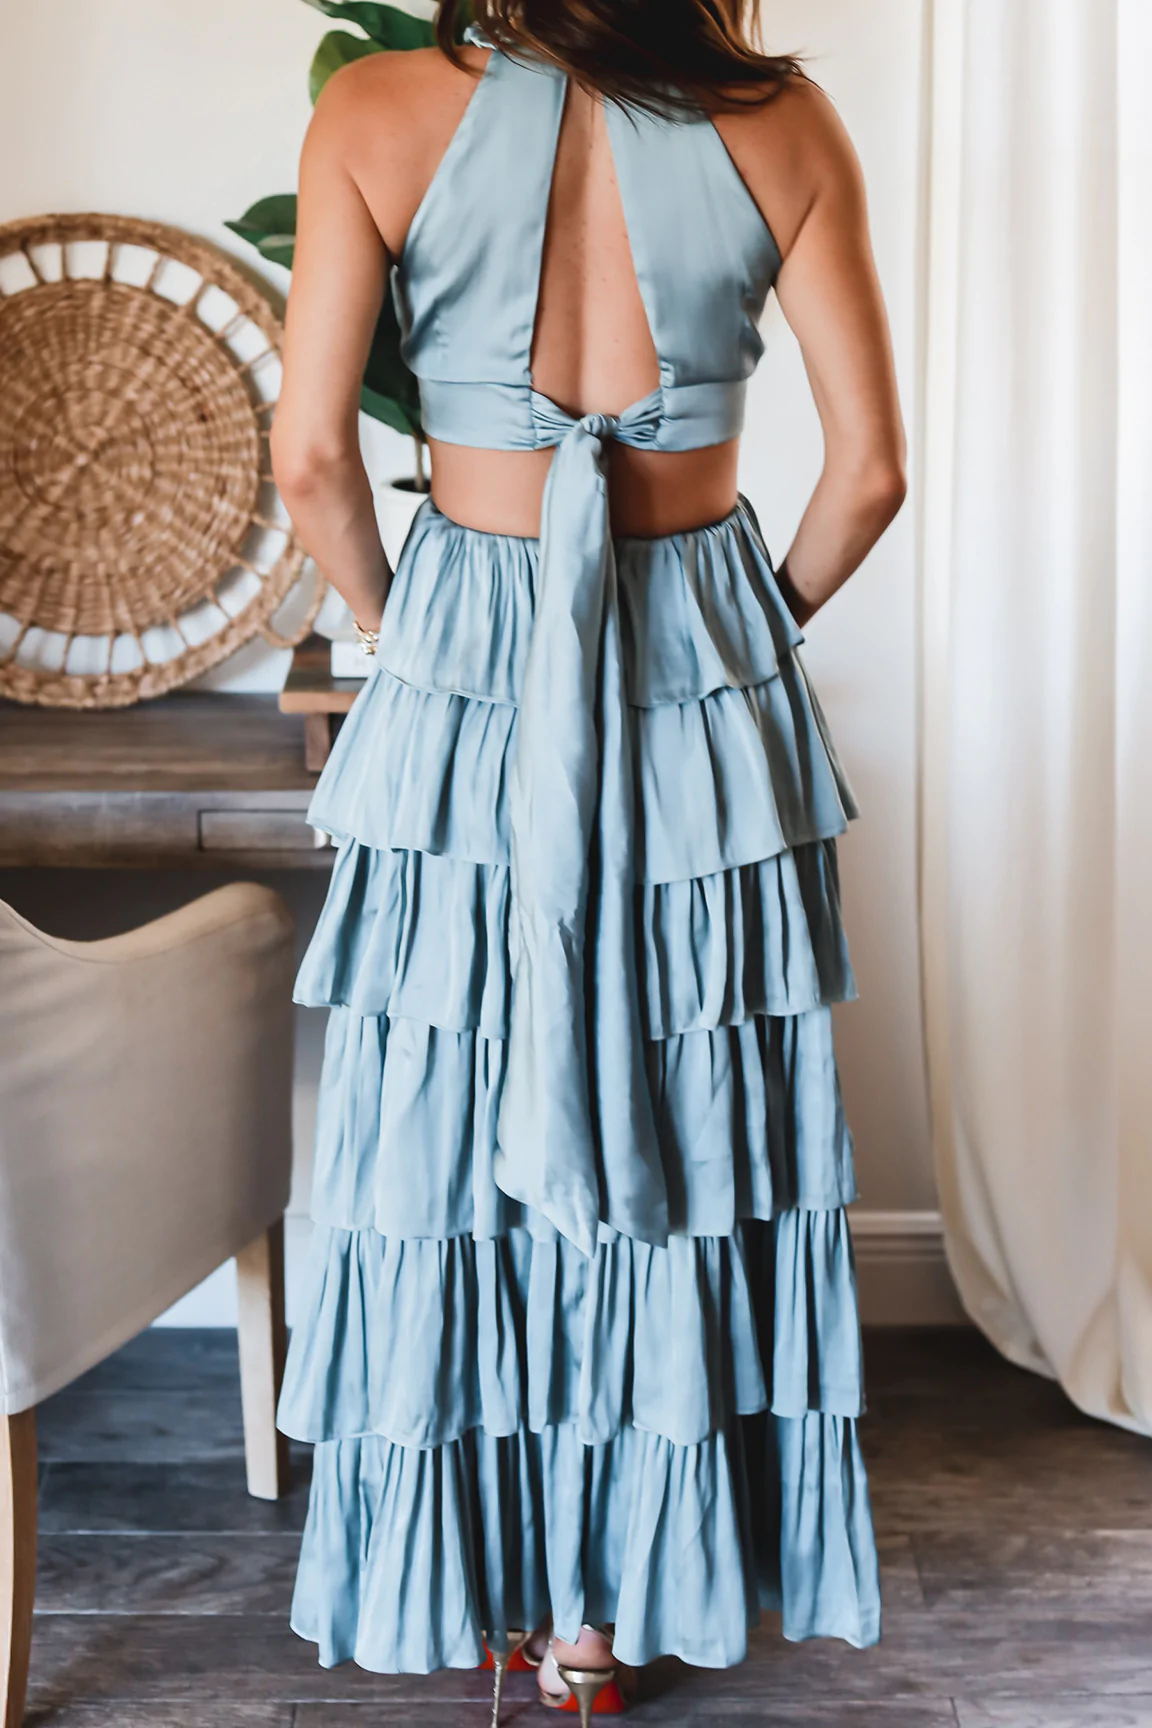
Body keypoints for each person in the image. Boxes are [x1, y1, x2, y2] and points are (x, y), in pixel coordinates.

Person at [269, 1, 906, 1720]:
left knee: (450, 1123)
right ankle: (606, 1622)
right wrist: (736, 642)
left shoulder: (375, 107)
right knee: (684, 1115)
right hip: (698, 667)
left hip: (465, 666)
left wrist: (419, 641)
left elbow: (314, 460)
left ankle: (481, 1571)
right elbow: (867, 477)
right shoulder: (782, 123)